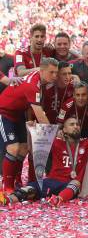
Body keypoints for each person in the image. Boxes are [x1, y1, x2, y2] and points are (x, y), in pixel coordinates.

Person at [0, 118, 88, 207]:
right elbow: (31, 150)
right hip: (50, 181)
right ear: (64, 130)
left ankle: (58, 200)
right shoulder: (55, 142)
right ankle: (8, 200)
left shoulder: (86, 143)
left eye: (77, 124)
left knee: (76, 183)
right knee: (29, 190)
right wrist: (30, 132)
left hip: (68, 185)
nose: (76, 126)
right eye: (72, 125)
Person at [0, 58, 59, 192]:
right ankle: (7, 186)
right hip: (3, 112)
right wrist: (54, 135)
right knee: (13, 148)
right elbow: (40, 115)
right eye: (52, 72)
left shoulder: (39, 79)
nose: (55, 76)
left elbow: (29, 106)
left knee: (24, 148)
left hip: (18, 114)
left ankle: (16, 180)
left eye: (56, 72)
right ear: (42, 71)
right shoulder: (33, 85)